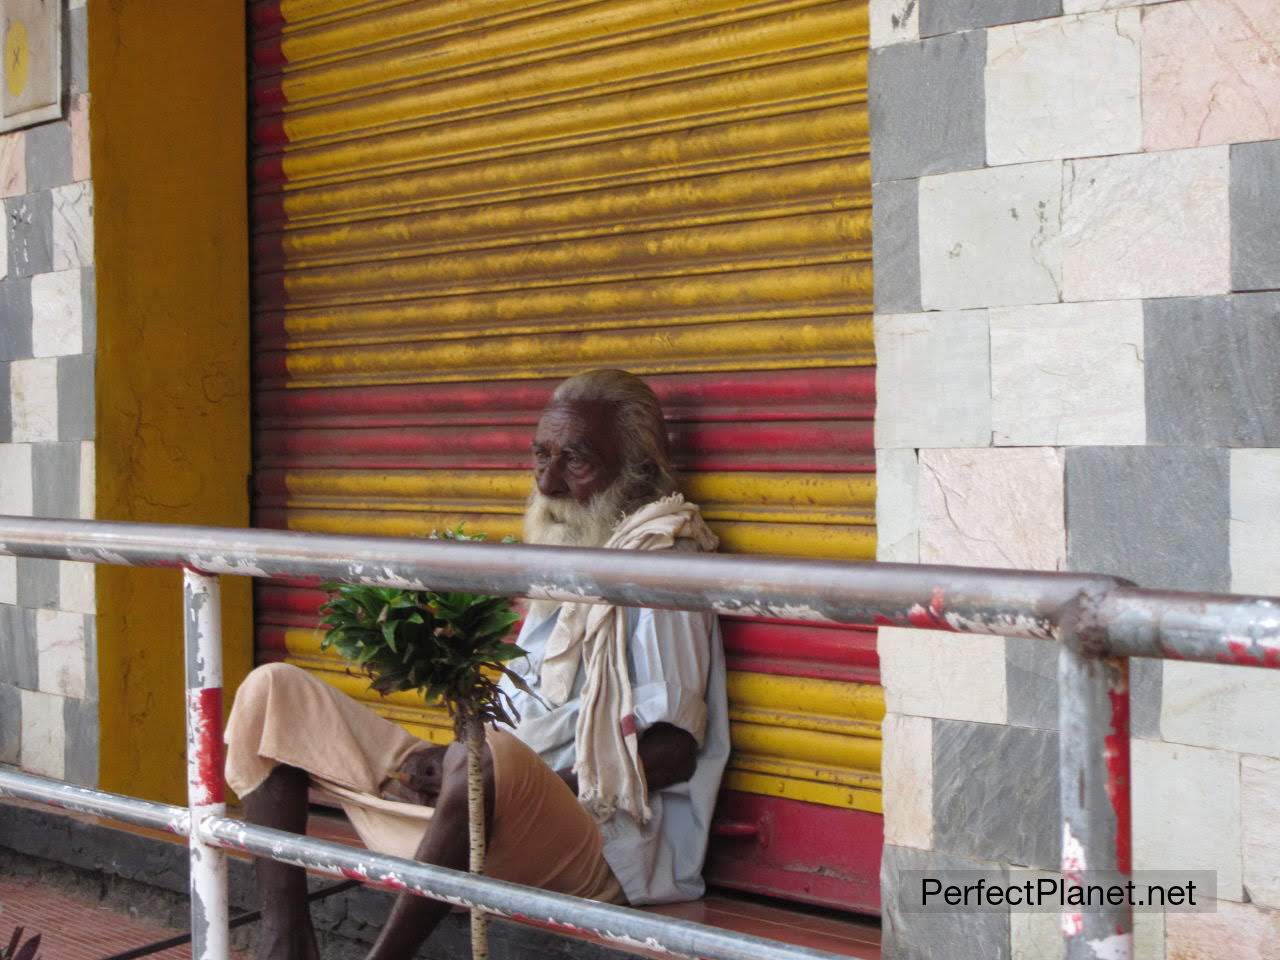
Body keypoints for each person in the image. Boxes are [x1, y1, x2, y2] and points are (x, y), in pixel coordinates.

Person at [224, 368, 730, 960]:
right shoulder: (569, 559)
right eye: (541, 455)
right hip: (490, 810)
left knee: (485, 757)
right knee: (273, 692)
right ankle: (286, 946)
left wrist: (513, 781)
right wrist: (463, 764)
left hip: (596, 846)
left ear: (635, 473)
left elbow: (672, 749)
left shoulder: (662, 563)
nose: (547, 482)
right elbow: (519, 725)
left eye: (577, 461)